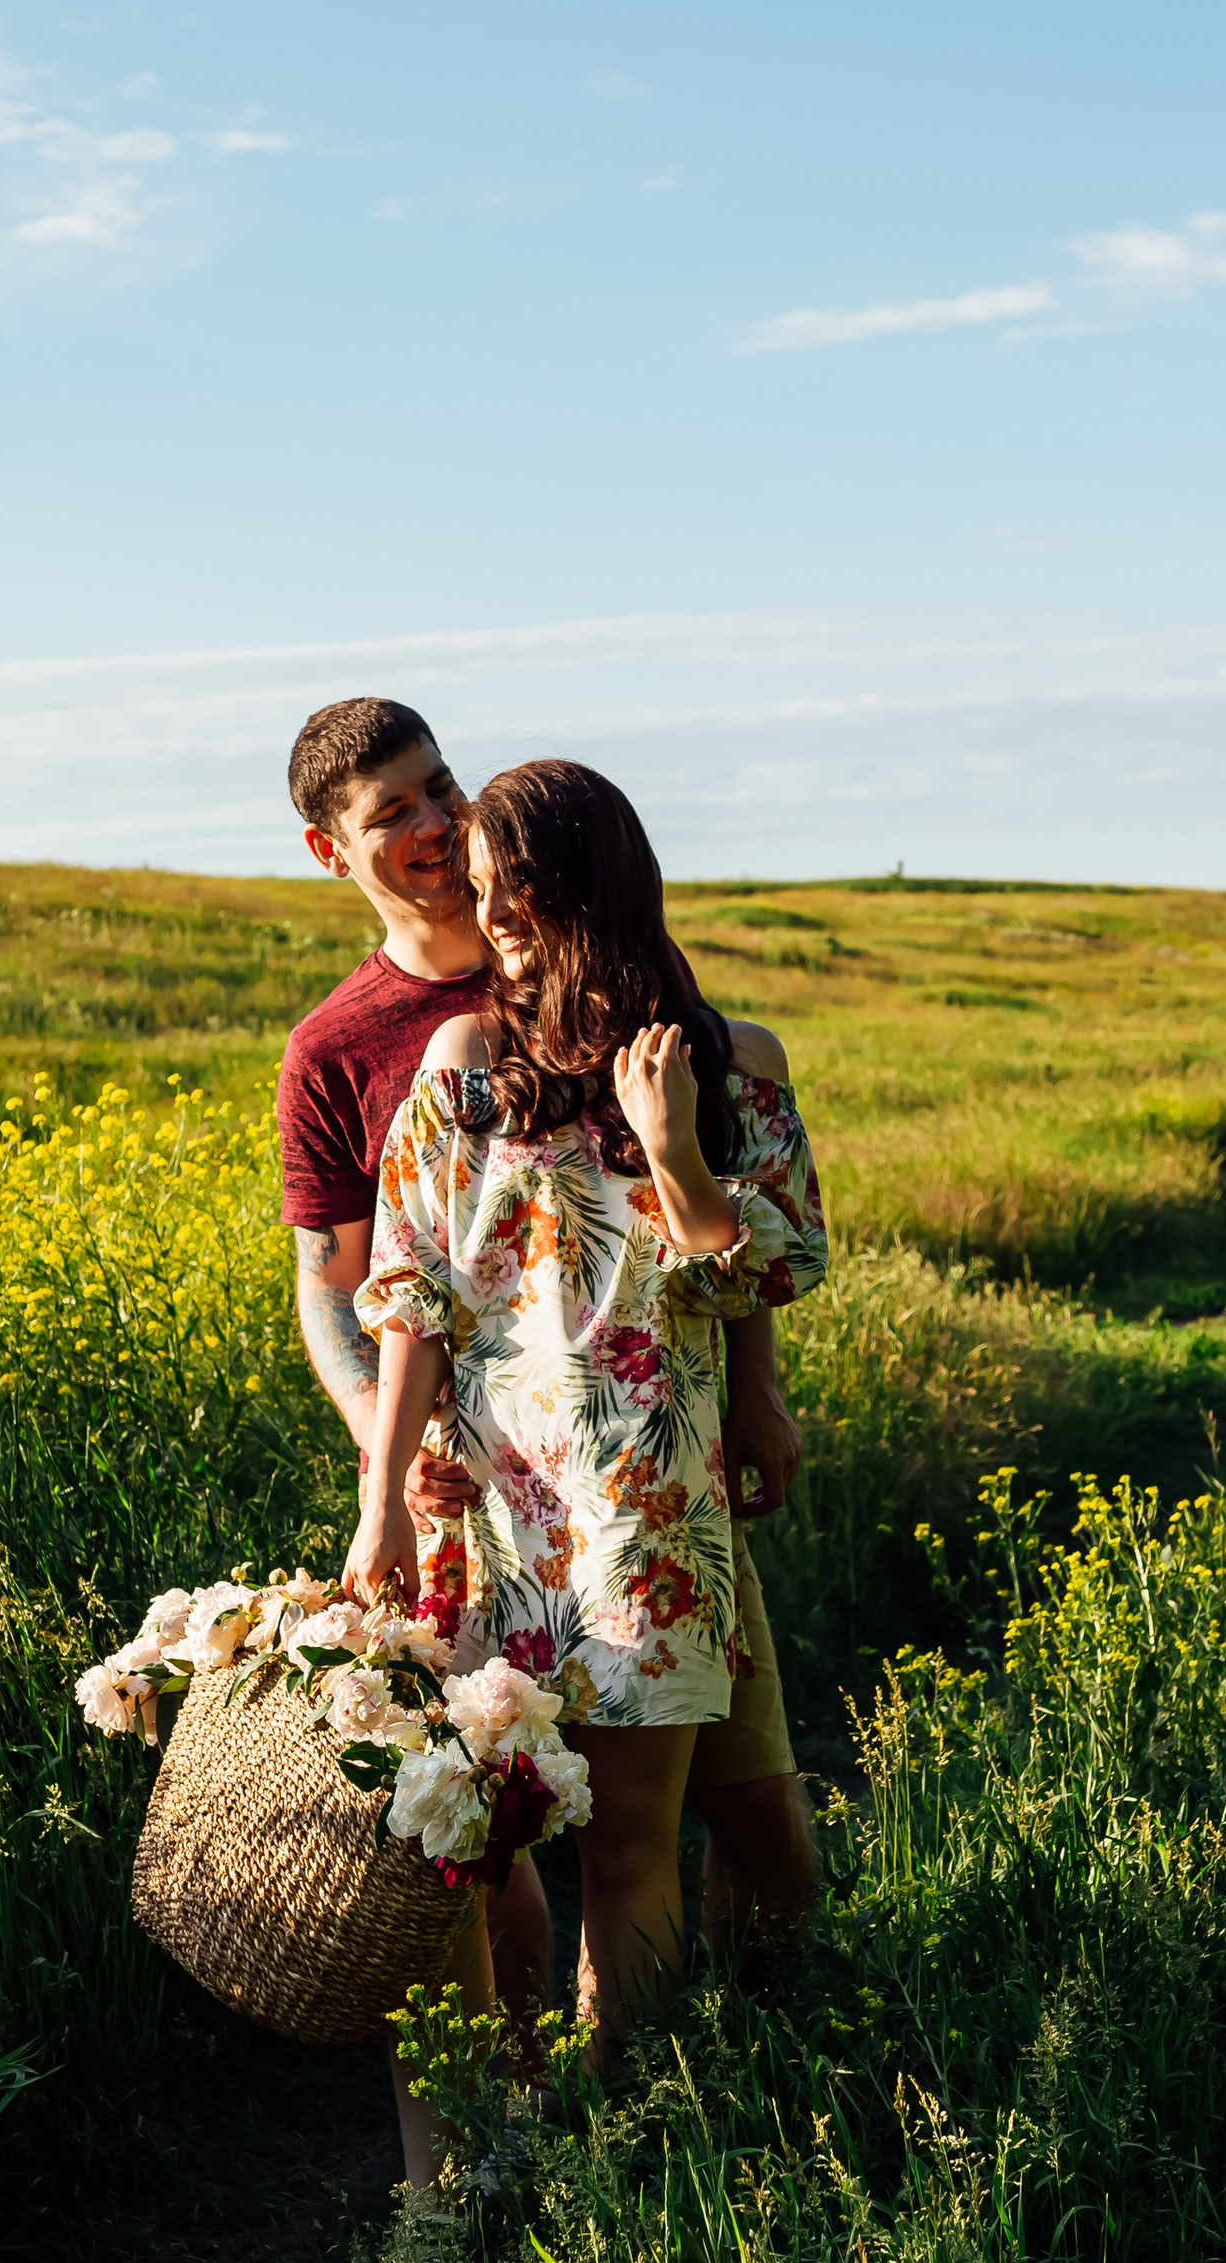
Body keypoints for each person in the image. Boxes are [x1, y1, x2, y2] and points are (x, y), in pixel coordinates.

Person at [274, 704, 817, 2014]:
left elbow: (766, 1264)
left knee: (709, 1846)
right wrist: (383, 1489)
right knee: (476, 1845)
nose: (441, 839)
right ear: (328, 849)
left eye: (438, 796)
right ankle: (491, 2148)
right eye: (392, 814)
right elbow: (381, 1296)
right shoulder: (409, 1056)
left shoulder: (713, 1060)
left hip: (655, 1518)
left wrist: (758, 1391)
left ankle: (709, 2110)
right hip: (492, 1515)